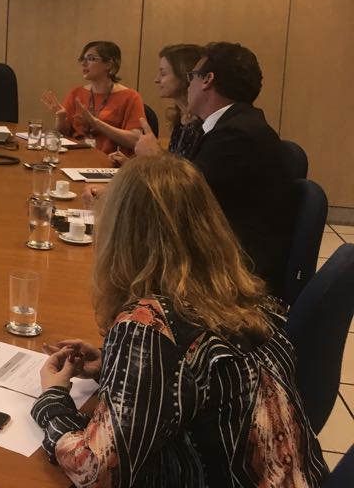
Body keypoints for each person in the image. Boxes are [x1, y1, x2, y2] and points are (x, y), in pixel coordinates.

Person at [32, 154, 326, 488]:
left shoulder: (150, 326)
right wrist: (110, 366)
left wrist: (52, 398)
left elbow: (95, 471)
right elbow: (200, 381)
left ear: (121, 236)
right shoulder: (245, 294)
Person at [136, 42, 295, 296]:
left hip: (235, 276)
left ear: (207, 80)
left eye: (192, 77)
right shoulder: (233, 125)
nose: (188, 85)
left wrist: (154, 159)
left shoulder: (236, 135)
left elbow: (183, 200)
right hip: (226, 256)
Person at [42, 40, 145, 155]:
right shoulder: (76, 93)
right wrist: (61, 118)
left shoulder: (130, 97)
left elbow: (135, 140)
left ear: (109, 64)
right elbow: (63, 135)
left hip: (110, 161)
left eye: (90, 59)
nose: (84, 63)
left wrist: (97, 123)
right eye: (83, 59)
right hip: (75, 158)